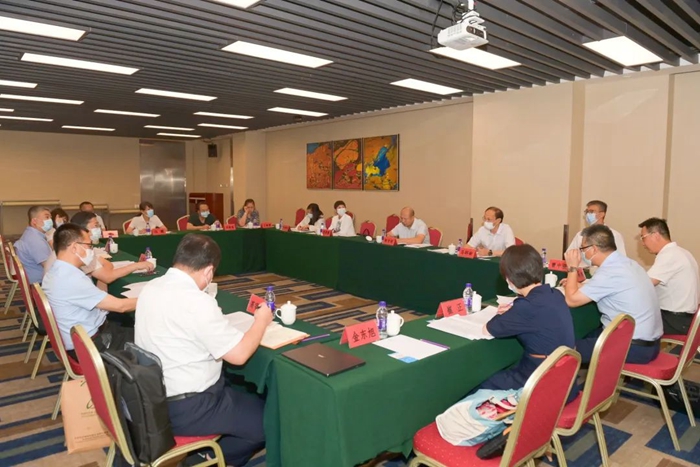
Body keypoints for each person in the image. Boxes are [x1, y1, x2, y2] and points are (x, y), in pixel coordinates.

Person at [135, 234, 270, 467]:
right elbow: (239, 356)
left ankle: (204, 452)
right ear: (208, 272)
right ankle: (213, 458)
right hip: (190, 408)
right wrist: (261, 321)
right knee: (267, 421)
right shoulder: (197, 302)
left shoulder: (151, 287)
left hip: (151, 397)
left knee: (240, 397)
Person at [481, 245, 577, 400]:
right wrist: (514, 311)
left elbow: (489, 329)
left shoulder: (526, 307)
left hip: (541, 384)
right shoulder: (555, 294)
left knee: (479, 384)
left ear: (510, 279)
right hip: (567, 381)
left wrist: (510, 313)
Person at [563, 224, 662, 364]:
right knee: (586, 334)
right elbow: (610, 287)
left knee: (562, 350)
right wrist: (579, 285)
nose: (583, 253)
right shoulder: (628, 264)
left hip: (633, 347)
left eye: (583, 249)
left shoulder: (609, 272)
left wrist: (572, 267)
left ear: (593, 249)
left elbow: (571, 300)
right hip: (650, 343)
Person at [42, 224, 137, 356]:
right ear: (75, 247)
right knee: (151, 338)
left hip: (85, 337)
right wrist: (152, 297)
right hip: (93, 345)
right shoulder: (71, 278)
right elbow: (121, 306)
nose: (91, 251)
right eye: (89, 246)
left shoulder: (56, 271)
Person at [639, 217, 700, 335]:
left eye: (643, 238)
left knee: (631, 324)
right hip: (684, 318)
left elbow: (644, 284)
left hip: (675, 320)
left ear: (655, 235)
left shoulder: (669, 255)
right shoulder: (682, 252)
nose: (643, 243)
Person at [71, 211, 154, 285]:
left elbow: (107, 265)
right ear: (82, 229)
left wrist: (102, 276)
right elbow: (107, 277)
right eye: (96, 225)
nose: (99, 228)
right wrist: (135, 266)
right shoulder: (82, 250)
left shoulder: (86, 247)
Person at [567, 200, 626, 267]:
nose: (588, 214)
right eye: (587, 211)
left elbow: (621, 259)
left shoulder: (614, 235)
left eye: (591, 211)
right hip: (582, 271)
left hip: (606, 271)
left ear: (602, 214)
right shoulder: (580, 235)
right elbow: (570, 255)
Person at [14, 206, 54, 284]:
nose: (50, 220)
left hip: (34, 279)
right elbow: (49, 267)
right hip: (40, 283)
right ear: (34, 221)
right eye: (47, 217)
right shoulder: (35, 240)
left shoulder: (30, 234)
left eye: (50, 217)